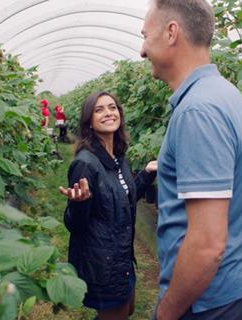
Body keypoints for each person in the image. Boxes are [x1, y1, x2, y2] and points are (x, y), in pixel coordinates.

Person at [140, 1, 242, 319]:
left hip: (206, 301)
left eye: (145, 36)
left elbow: (207, 244)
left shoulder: (198, 111)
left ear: (171, 33)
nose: (142, 50)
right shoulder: (223, 93)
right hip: (228, 287)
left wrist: (167, 312)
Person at [59, 91, 157, 320]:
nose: (108, 113)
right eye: (99, 109)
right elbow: (75, 226)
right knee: (117, 314)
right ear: (89, 122)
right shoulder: (85, 164)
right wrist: (79, 204)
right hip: (102, 261)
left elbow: (122, 198)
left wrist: (146, 173)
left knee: (128, 308)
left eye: (112, 107)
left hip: (120, 255)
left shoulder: (118, 157)